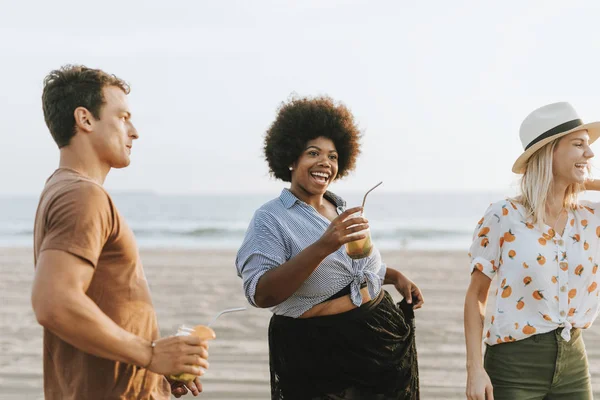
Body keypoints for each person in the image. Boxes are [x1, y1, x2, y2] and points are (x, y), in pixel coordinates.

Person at [31, 65, 211, 399]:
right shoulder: (82, 195)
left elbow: (98, 302)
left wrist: (154, 364)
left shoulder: (61, 188)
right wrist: (149, 354)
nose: (135, 131)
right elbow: (53, 302)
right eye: (123, 117)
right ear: (85, 119)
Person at [236, 95, 424, 400]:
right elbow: (261, 292)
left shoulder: (341, 208)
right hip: (319, 352)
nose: (326, 163)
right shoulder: (269, 219)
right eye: (313, 153)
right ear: (290, 157)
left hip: (381, 335)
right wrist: (323, 245)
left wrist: (394, 276)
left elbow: (351, 269)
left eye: (333, 156)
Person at [464, 102, 600, 400]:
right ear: (548, 151)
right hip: (514, 364)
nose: (590, 154)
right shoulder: (503, 216)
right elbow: (476, 296)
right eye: (578, 145)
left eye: (588, 146)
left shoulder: (591, 218)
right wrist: (475, 368)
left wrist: (583, 180)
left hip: (573, 361)